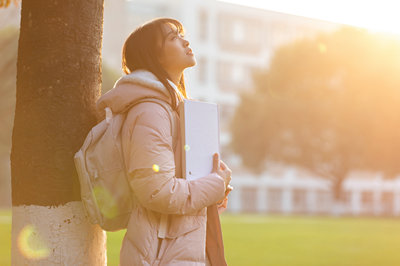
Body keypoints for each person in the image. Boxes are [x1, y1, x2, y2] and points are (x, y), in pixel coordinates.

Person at [96, 18, 232, 265]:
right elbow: (158, 192)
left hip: (177, 250)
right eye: (173, 37)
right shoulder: (151, 111)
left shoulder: (172, 109)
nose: (185, 41)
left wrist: (214, 188)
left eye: (181, 34)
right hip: (160, 256)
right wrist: (214, 185)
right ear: (155, 56)